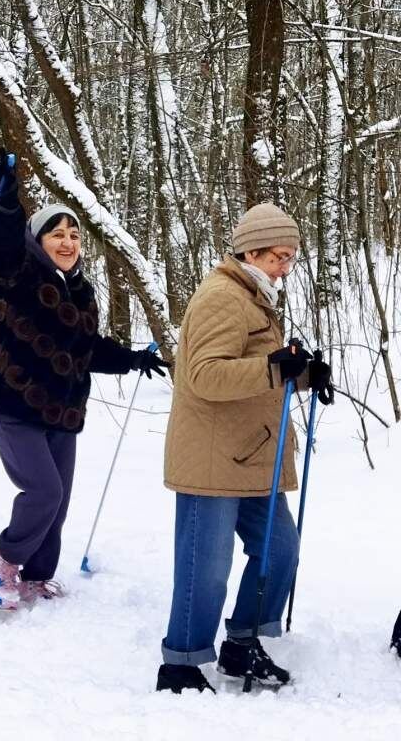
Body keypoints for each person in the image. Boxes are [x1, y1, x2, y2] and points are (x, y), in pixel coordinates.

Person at [0, 147, 168, 610]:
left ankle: (38, 575)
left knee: (59, 503)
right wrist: (7, 203)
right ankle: (4, 562)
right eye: (55, 234)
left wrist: (131, 359)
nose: (66, 242)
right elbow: (0, 247)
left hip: (63, 409)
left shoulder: (81, 290)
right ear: (37, 241)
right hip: (15, 403)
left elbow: (86, 348)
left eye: (74, 235)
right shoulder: (18, 273)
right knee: (44, 491)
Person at [156, 203, 333, 694]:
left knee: (280, 550)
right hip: (213, 459)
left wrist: (300, 375)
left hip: (253, 455)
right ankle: (181, 664)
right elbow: (205, 375)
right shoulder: (221, 297)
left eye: (290, 257)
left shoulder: (254, 297)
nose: (286, 267)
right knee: (205, 568)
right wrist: (276, 368)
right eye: (279, 256)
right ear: (251, 250)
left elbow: (258, 369)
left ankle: (241, 643)